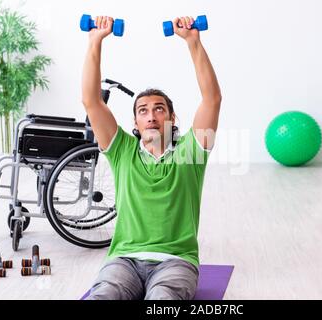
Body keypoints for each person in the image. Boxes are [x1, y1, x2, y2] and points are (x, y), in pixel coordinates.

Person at [82, 15, 222, 300]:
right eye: (143, 110)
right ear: (135, 122)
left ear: (172, 117)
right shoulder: (122, 150)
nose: (151, 116)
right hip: (124, 260)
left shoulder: (191, 152)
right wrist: (95, 41)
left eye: (159, 109)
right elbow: (91, 101)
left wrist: (193, 43)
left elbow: (212, 100)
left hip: (176, 261)